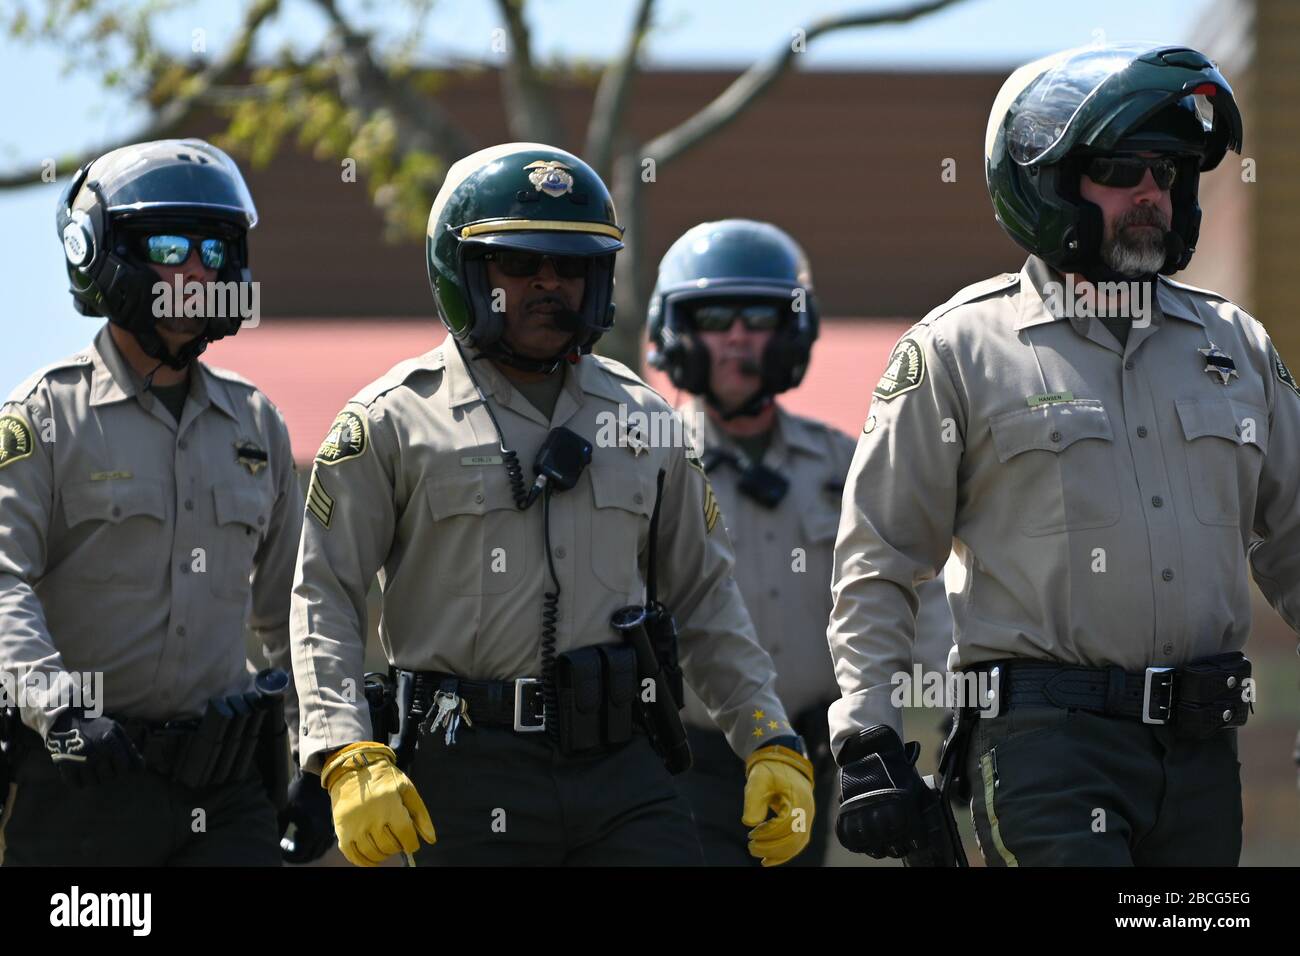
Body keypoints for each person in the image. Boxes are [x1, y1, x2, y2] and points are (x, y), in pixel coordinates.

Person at [829, 43, 1295, 867]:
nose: (1152, 192)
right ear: (1048, 183)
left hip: (1201, 755)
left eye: (1169, 170)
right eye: (1123, 168)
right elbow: (880, 562)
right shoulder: (956, 351)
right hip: (1046, 750)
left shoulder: (1239, 346)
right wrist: (869, 740)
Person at [289, 143, 815, 867]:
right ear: (465, 271)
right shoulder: (387, 421)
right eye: (520, 264)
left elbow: (704, 597)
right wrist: (347, 751)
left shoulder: (646, 418)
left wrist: (769, 738)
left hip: (623, 769)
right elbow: (325, 596)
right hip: (462, 772)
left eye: (571, 267)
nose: (549, 284)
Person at [0, 139, 305, 865]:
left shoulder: (257, 423)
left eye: (213, 247)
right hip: (81, 779)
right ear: (104, 254)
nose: (198, 269)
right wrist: (60, 707)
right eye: (171, 246)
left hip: (226, 790)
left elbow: (295, 611)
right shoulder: (45, 416)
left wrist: (322, 754)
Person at [648, 219, 952, 865]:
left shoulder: (846, 465)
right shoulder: (644, 464)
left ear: (793, 331)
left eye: (758, 316)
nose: (736, 336)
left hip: (816, 764)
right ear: (677, 332)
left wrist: (956, 705)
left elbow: (909, 596)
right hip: (681, 766)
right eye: (713, 316)